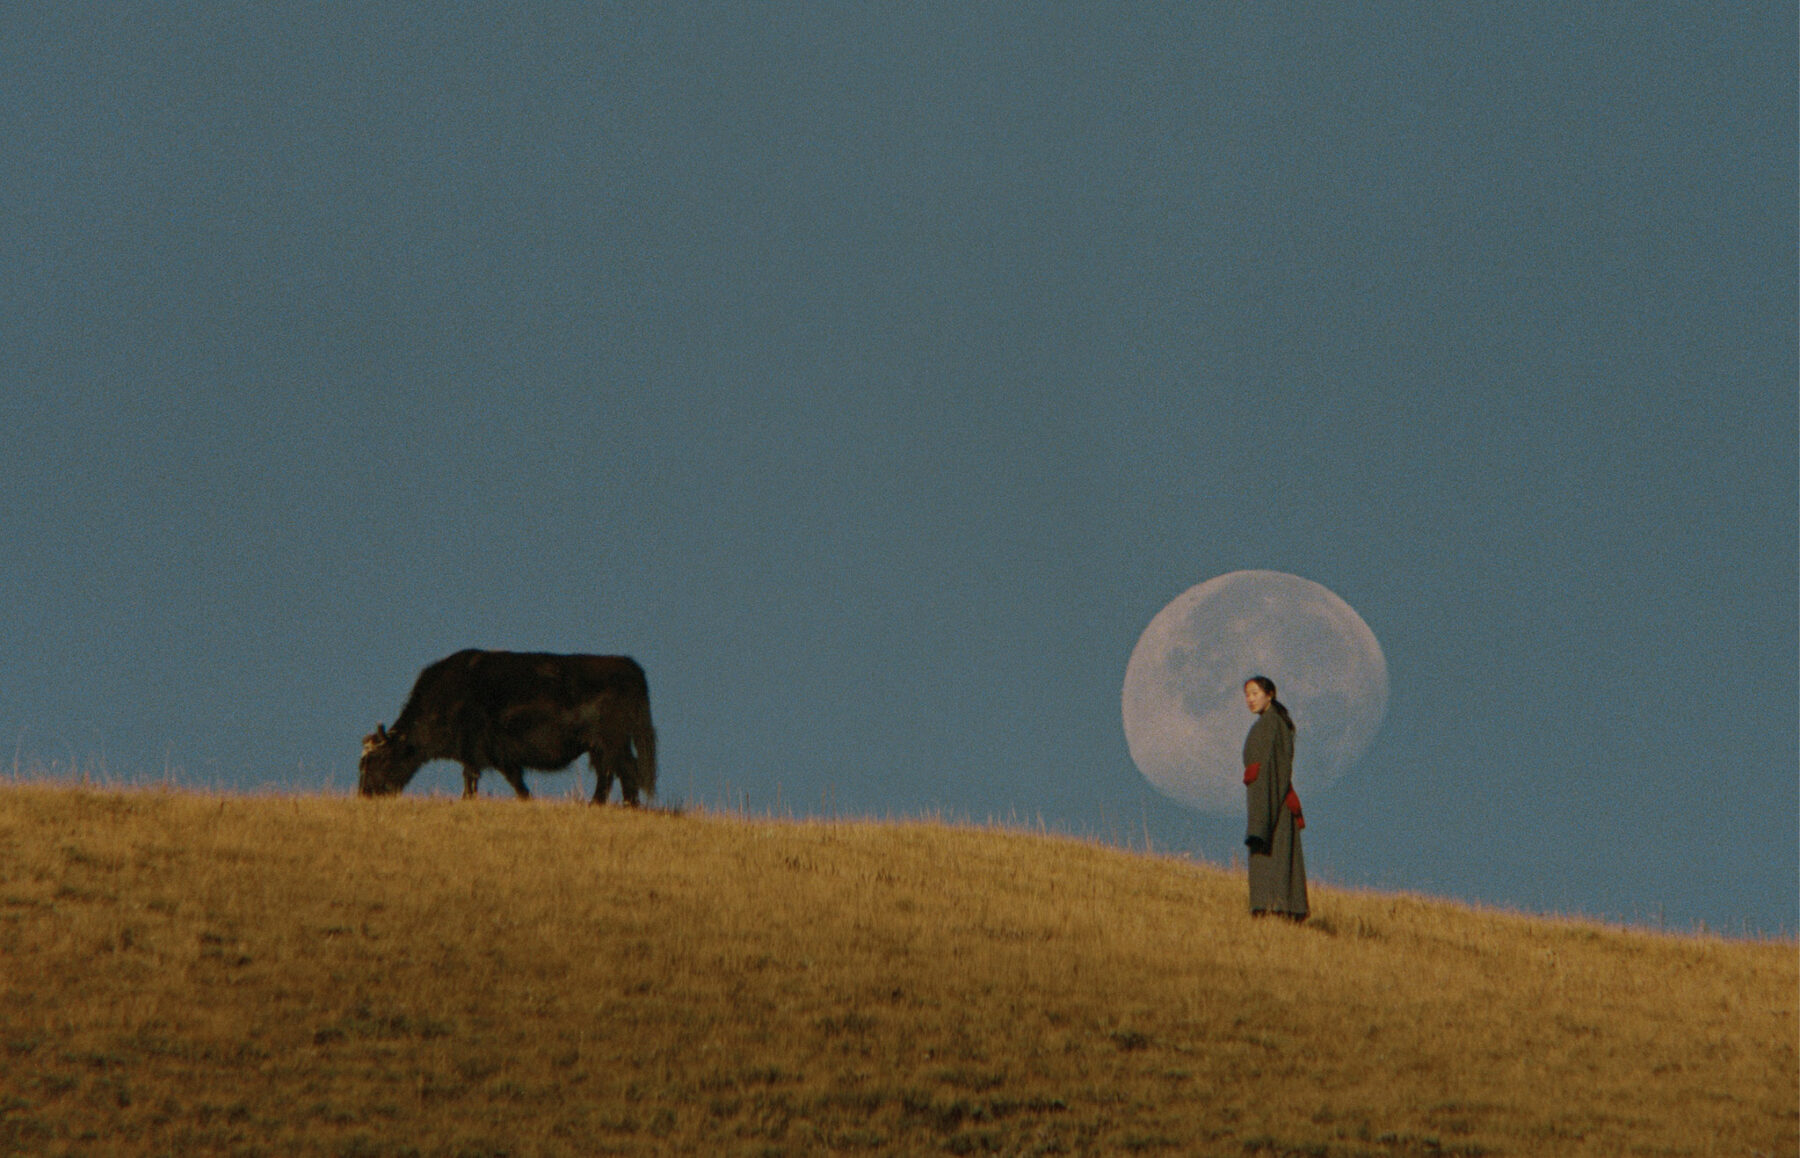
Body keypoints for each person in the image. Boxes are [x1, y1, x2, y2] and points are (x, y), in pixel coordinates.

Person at [1242, 675, 1308, 920]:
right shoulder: (1268, 724)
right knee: (1271, 860)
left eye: (1255, 693)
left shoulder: (1272, 724)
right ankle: (1271, 909)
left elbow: (1270, 769)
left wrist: (1261, 820)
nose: (1250, 699)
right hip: (1266, 803)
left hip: (1273, 806)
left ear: (1270, 695)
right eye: (1247, 695)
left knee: (1275, 858)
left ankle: (1277, 909)